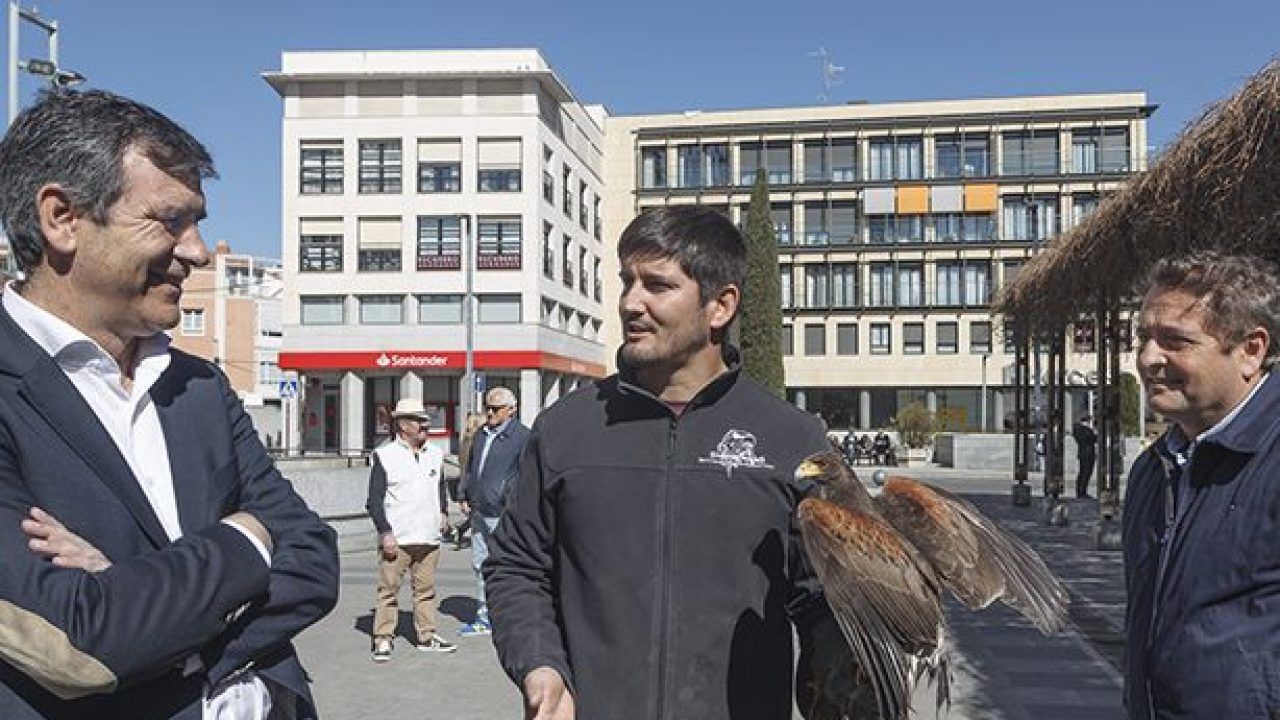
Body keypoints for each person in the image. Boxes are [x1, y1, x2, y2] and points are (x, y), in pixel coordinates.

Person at [0, 89, 339, 718]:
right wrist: (245, 538)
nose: (198, 251)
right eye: (170, 220)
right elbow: (77, 640)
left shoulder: (198, 385)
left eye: (198, 221)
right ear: (62, 218)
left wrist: (144, 600)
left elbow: (315, 558)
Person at [485, 206, 837, 720]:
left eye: (657, 285)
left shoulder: (791, 439)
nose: (631, 302)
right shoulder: (566, 430)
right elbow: (517, 566)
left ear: (720, 307)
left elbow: (823, 601)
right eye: (627, 281)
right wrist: (540, 664)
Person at [1123, 253, 1280, 719]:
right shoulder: (1153, 469)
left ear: (1250, 350)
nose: (1149, 358)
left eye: (1175, 341)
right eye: (1144, 339)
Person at [366, 398, 456, 661]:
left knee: (426, 591)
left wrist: (443, 512)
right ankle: (383, 638)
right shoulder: (385, 455)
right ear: (403, 425)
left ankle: (427, 635)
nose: (424, 425)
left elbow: (439, 486)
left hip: (428, 536)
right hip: (398, 537)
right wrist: (385, 532)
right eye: (418, 420)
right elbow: (374, 500)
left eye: (424, 420)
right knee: (388, 591)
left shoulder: (435, 453)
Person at [457, 386, 529, 637]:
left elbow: (527, 477)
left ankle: (510, 616)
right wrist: (463, 494)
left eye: (495, 409)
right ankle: (483, 615)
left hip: (503, 513)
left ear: (512, 409)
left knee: (508, 565)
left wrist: (513, 503)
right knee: (480, 564)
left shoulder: (522, 437)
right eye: (487, 407)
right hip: (479, 510)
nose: (490, 412)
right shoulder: (481, 434)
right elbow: (470, 466)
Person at [449, 411, 486, 549]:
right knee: (477, 516)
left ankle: (460, 529)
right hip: (473, 486)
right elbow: (465, 470)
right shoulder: (474, 443)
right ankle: (460, 529)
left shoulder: (466, 441)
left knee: (476, 515)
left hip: (470, 486)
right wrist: (462, 495)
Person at [1071, 413, 1098, 499]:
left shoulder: (1079, 429)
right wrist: (1093, 430)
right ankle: (1081, 491)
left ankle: (1081, 491)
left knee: (1083, 473)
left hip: (1084, 453)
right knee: (1085, 473)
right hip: (1087, 454)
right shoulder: (1084, 429)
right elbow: (1093, 438)